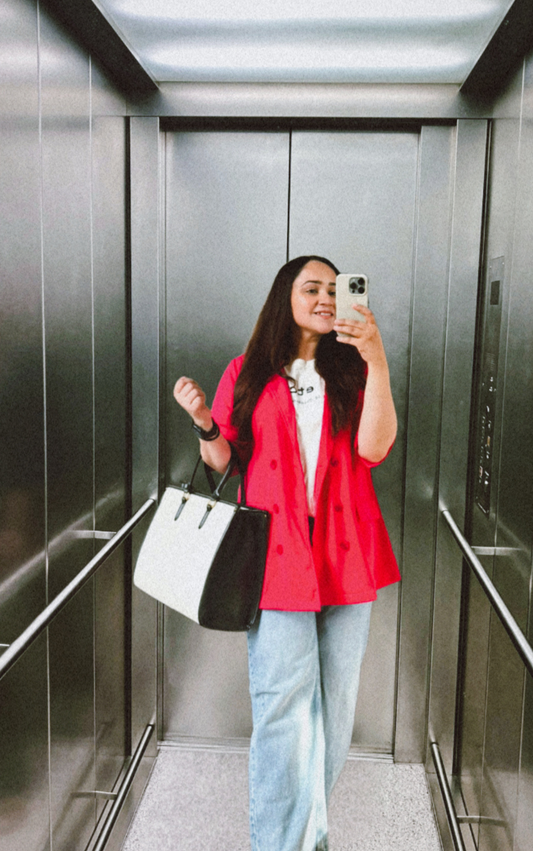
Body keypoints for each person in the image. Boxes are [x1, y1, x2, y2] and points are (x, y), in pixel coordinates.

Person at [173, 255, 401, 851]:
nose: (326, 298)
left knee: (334, 712)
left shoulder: (353, 370)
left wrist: (375, 356)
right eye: (312, 288)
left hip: (346, 553)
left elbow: (375, 449)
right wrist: (203, 420)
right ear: (286, 296)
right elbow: (225, 462)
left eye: (334, 289)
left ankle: (304, 838)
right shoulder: (245, 372)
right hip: (275, 556)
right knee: (282, 713)